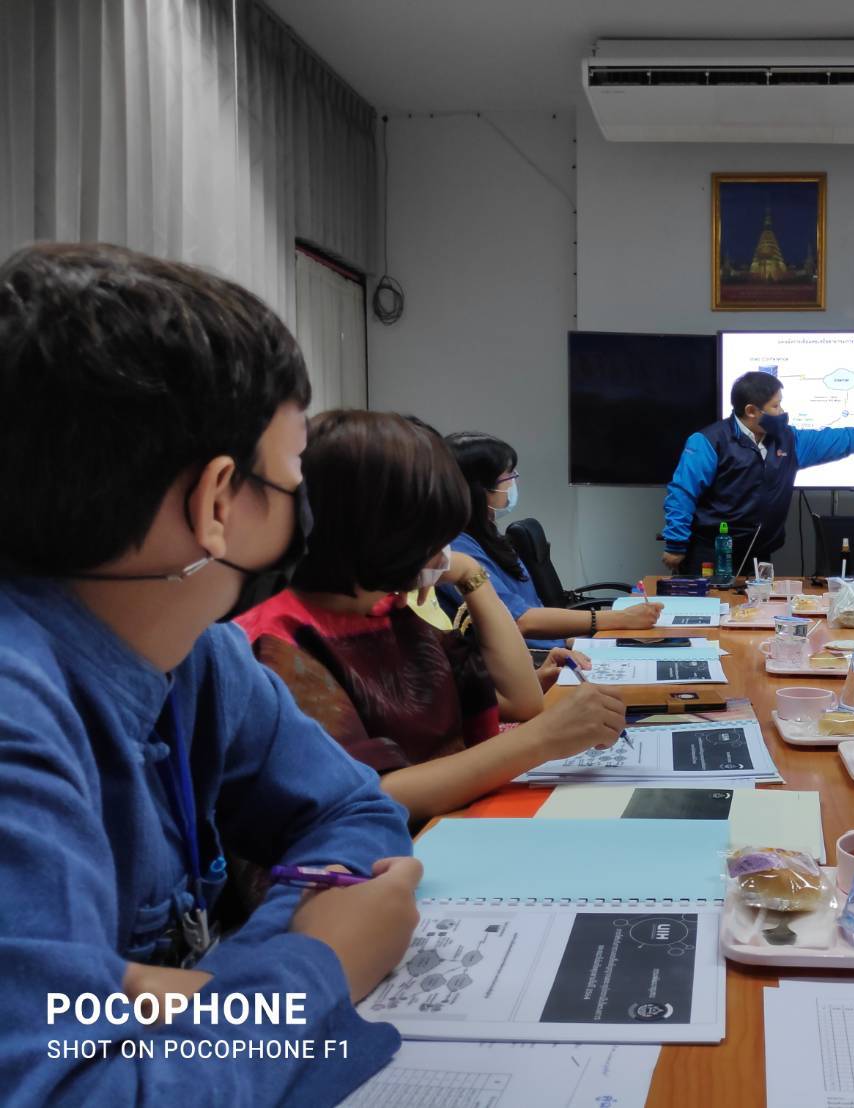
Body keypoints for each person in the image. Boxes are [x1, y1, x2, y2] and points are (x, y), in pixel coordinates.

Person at [0, 243, 419, 1102]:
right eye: (294, 475)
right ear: (218, 501)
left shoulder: (198, 653)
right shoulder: (15, 709)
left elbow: (351, 808)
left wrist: (229, 996)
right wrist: (317, 967)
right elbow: (73, 1090)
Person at [237, 411, 625, 826]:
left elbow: (522, 700)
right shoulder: (279, 640)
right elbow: (372, 793)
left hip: (457, 830)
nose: (440, 548)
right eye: (431, 532)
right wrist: (542, 740)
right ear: (375, 530)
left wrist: (471, 576)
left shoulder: (384, 609)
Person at [661, 371, 854, 573]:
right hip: (711, 552)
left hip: (759, 553)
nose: (782, 413)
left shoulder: (788, 441)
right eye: (776, 406)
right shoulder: (708, 441)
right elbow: (682, 493)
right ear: (751, 411)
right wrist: (675, 544)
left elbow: (838, 439)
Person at [442, 432, 664, 646]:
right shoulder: (459, 549)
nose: (514, 482)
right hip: (532, 661)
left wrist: (577, 643)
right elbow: (519, 621)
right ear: (479, 487)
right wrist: (620, 619)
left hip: (550, 649)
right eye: (509, 475)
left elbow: (531, 615)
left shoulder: (487, 537)